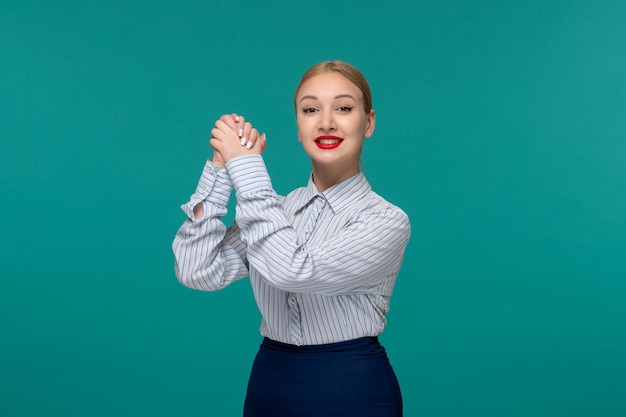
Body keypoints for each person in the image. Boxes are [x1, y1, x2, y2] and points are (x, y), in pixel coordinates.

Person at [172, 60, 411, 416]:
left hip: (350, 384)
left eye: (343, 108)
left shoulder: (386, 220)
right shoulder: (274, 211)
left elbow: (294, 270)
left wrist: (247, 168)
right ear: (298, 126)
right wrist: (221, 169)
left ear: (369, 122)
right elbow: (197, 271)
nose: (326, 122)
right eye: (310, 109)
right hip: (271, 380)